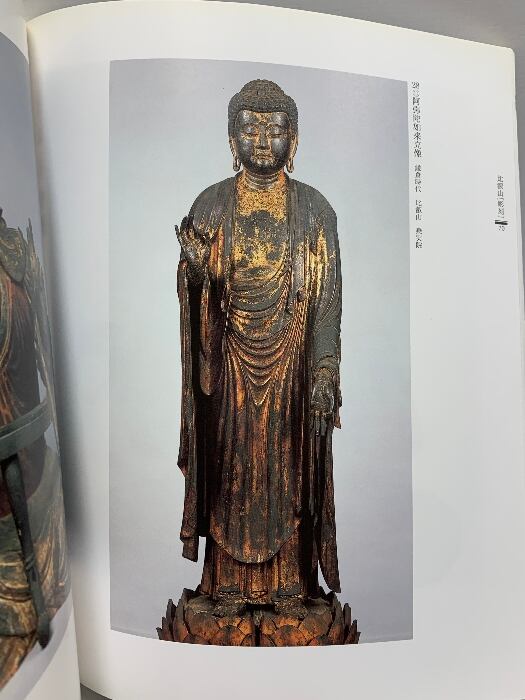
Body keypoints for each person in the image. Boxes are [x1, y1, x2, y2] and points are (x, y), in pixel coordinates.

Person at [175, 79, 342, 619]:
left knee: (287, 471)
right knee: (231, 471)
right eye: (251, 129)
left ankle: (291, 582)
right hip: (228, 364)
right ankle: (224, 582)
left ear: (295, 138)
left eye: (275, 129)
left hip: (291, 366)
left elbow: (327, 302)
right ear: (232, 139)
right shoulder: (210, 204)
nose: (263, 140)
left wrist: (325, 369)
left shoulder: (315, 211)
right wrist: (195, 275)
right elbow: (195, 293)